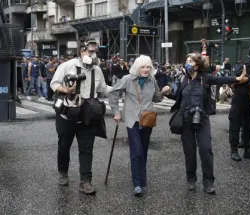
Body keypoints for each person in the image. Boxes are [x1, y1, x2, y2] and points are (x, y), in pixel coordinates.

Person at [167, 53, 246, 195]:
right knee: (189, 152)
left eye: (189, 61)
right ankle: (191, 179)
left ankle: (208, 182)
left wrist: (237, 79)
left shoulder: (205, 78)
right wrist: (166, 92)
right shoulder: (183, 79)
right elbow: (177, 96)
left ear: (197, 65)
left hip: (202, 118)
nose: (186, 63)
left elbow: (221, 79)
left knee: (205, 150)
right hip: (186, 120)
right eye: (186, 61)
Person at [50, 37, 111, 194]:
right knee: (64, 145)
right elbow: (54, 84)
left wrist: (122, 88)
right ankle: (63, 172)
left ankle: (85, 181)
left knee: (87, 148)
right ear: (82, 51)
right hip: (67, 115)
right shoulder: (67, 66)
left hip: (87, 115)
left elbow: (103, 89)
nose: (93, 54)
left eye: (95, 51)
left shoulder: (97, 70)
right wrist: (66, 90)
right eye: (90, 51)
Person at [108, 55, 171, 196]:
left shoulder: (152, 80)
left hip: (147, 119)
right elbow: (113, 93)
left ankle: (142, 180)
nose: (146, 69)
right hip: (132, 120)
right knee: (136, 151)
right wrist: (116, 112)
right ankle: (137, 184)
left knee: (143, 150)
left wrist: (163, 92)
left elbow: (156, 98)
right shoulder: (127, 79)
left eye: (148, 67)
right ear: (137, 68)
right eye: (143, 67)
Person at [228, 48, 250, 161]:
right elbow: (233, 80)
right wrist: (249, 77)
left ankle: (248, 150)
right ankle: (234, 150)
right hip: (239, 98)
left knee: (249, 126)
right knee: (235, 124)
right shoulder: (243, 66)